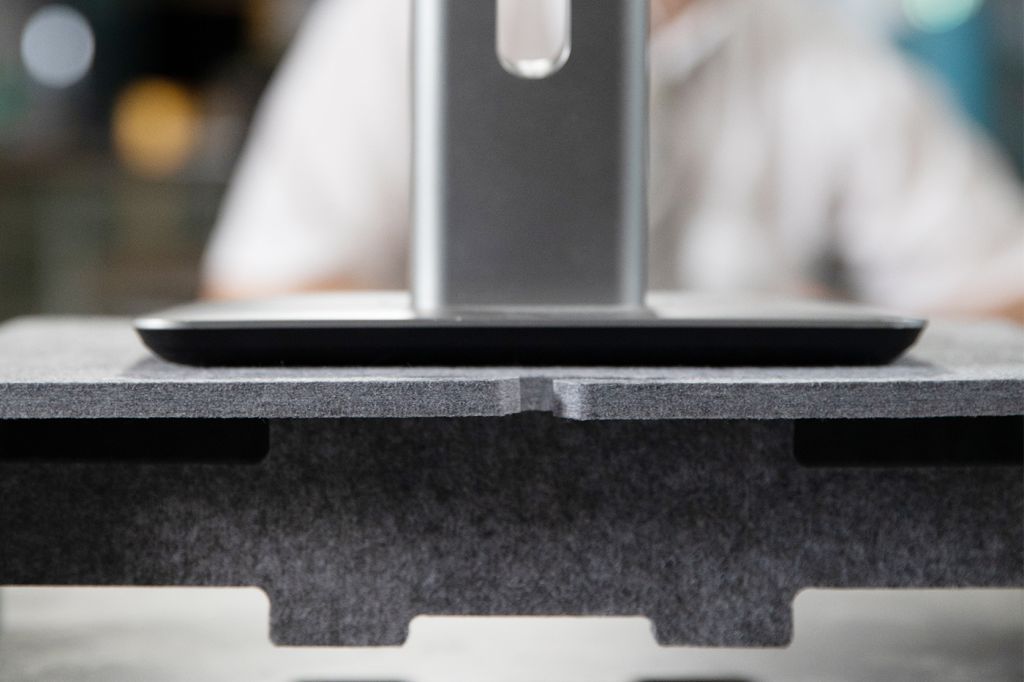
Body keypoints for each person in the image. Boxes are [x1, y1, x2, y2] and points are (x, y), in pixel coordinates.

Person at [202, 0, 1024, 320]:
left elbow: (1002, 292)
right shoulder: (399, 24)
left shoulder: (824, 52)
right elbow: (259, 291)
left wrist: (816, 330)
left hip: (736, 496)